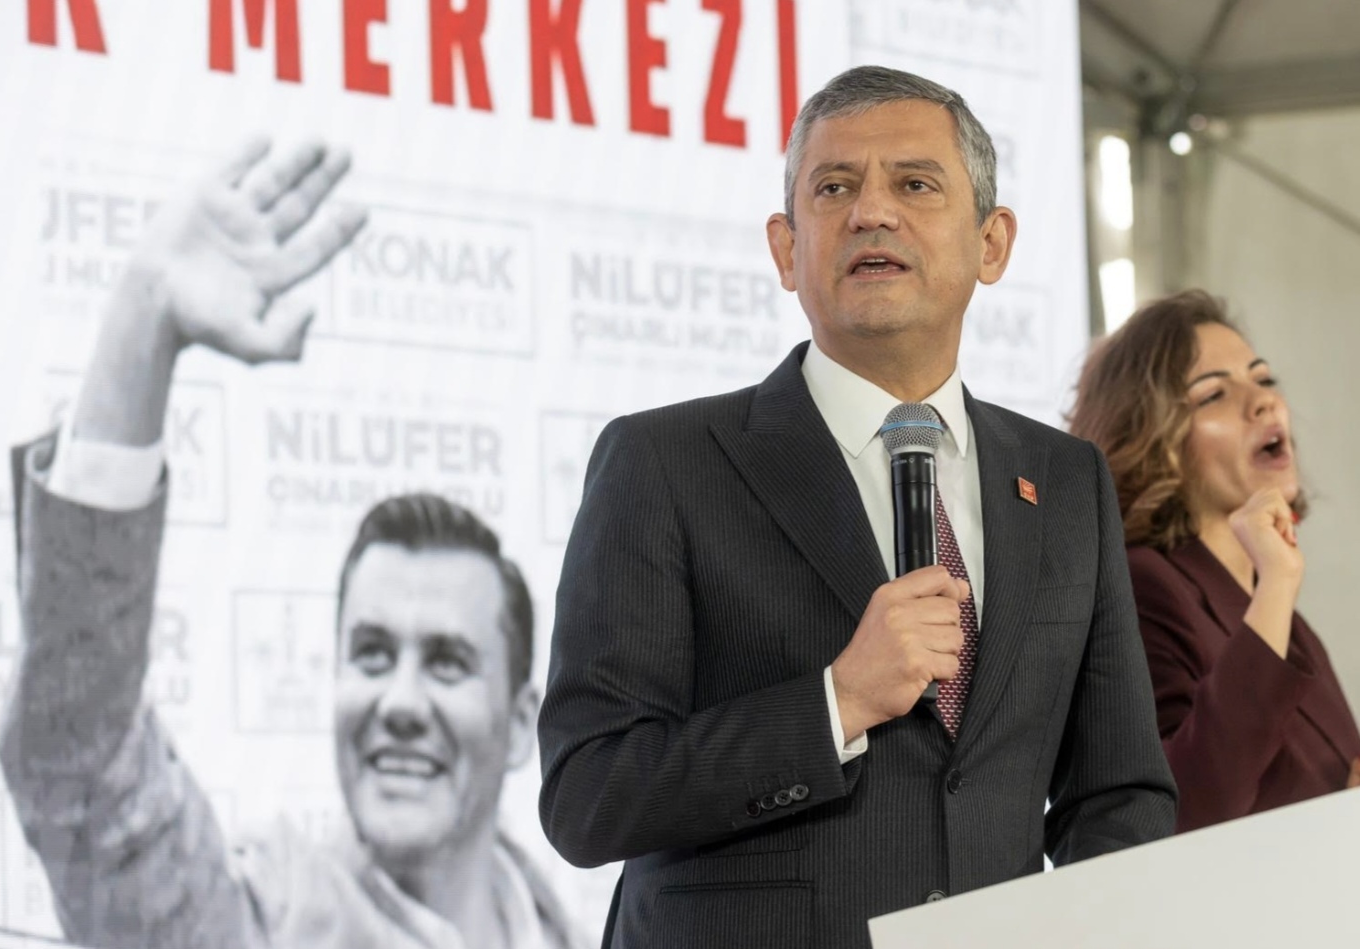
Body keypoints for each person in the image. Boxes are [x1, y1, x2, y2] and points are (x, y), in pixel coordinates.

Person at [537, 65, 1176, 949]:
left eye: (914, 184)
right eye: (834, 188)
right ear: (785, 249)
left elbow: (1118, 793)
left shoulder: (1064, 480)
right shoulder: (664, 463)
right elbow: (589, 791)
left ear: (991, 243)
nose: (872, 211)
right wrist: (835, 702)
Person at [0, 139, 582, 949]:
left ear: (520, 723)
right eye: (371, 654)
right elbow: (80, 769)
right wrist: (144, 317)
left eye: (447, 662)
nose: (399, 702)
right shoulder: (266, 921)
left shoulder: (576, 925)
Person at [1069, 289, 1360, 833]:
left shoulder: (1282, 617)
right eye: (1214, 394)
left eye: (1264, 379)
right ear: (1153, 436)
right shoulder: (1145, 583)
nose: (1264, 402)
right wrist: (1277, 585)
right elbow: (1185, 808)